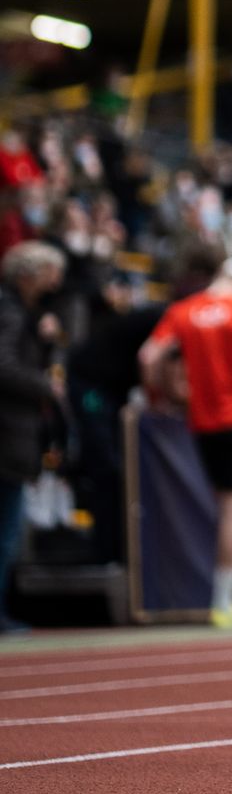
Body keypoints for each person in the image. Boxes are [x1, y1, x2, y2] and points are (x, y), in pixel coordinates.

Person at [139, 256, 232, 629]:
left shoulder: (183, 310)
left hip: (202, 419)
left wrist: (168, 393)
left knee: (228, 507)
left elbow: (149, 356)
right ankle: (226, 599)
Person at [0, 241, 66, 634]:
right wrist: (45, 386)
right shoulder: (10, 311)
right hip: (8, 436)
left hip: (13, 436)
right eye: (47, 273)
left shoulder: (23, 313)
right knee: (5, 531)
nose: (52, 283)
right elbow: (4, 364)